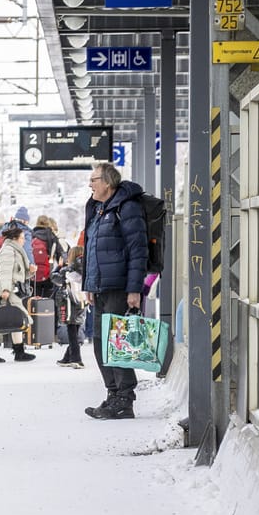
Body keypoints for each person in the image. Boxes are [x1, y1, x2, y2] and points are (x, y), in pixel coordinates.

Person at [81, 162, 149, 419]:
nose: (90, 184)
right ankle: (113, 394)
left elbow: (137, 251)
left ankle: (124, 398)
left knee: (117, 344)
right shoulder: (98, 209)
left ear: (107, 183)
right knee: (100, 344)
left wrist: (134, 289)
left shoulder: (126, 208)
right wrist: (89, 285)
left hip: (119, 288)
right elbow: (91, 249)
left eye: (94, 179)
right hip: (101, 288)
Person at [0, 226, 36, 364]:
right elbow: (5, 271)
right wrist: (6, 289)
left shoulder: (15, 250)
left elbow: (17, 273)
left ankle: (17, 352)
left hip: (9, 288)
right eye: (22, 238)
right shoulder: (8, 250)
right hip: (1, 289)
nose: (24, 241)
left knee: (15, 318)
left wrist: (30, 272)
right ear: (15, 239)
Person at [54, 245, 87, 368]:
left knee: (72, 330)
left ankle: (76, 359)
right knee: (76, 328)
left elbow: (55, 278)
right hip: (82, 300)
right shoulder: (85, 267)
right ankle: (67, 358)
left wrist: (59, 266)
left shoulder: (68, 270)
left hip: (70, 301)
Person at [31, 215, 65, 297]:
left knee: (34, 299)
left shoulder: (31, 235)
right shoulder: (51, 236)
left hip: (33, 274)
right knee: (48, 299)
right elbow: (60, 254)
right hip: (48, 273)